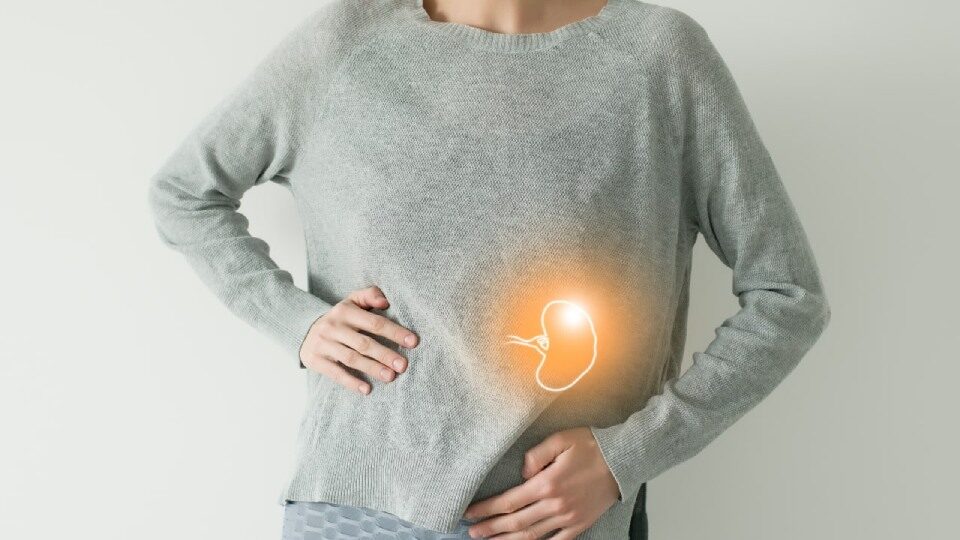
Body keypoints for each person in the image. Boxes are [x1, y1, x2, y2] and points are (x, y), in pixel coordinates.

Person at [147, 0, 831, 538]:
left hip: (553, 522)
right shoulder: (342, 46)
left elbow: (788, 295)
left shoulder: (659, 60)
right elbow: (184, 194)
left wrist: (628, 456)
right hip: (354, 511)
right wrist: (297, 322)